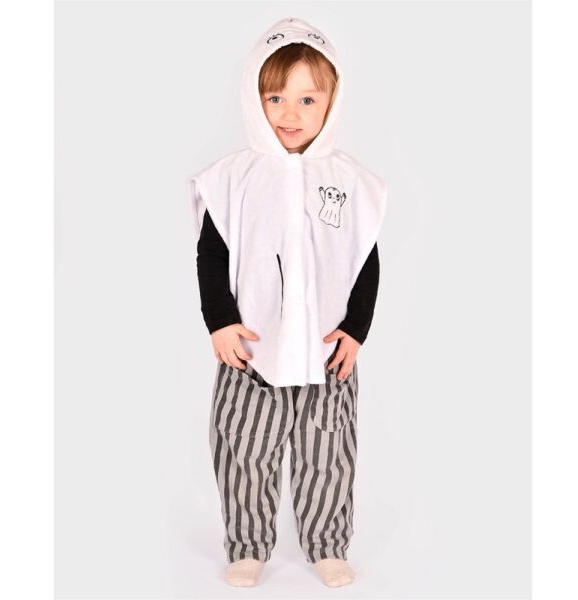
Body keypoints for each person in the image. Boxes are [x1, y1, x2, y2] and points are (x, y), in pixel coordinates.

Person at [189, 17, 386, 588]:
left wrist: (356, 330)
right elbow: (210, 254)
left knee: (329, 455)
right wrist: (221, 322)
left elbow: (365, 259)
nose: (290, 113)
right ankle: (247, 545)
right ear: (255, 98)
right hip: (251, 354)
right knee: (243, 451)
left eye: (307, 98)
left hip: (328, 357)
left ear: (331, 101)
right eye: (275, 97)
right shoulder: (235, 178)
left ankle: (327, 544)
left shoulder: (349, 181)